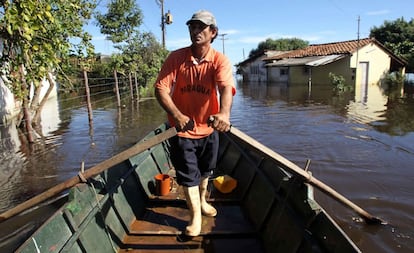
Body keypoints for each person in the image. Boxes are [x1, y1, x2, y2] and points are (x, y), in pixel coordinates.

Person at [154, 10, 235, 237]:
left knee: (206, 171)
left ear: (213, 33)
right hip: (183, 131)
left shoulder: (219, 60)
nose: (196, 31)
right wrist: (177, 115)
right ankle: (195, 216)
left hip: (209, 129)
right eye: (193, 27)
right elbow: (160, 88)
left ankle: (202, 201)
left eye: (201, 27)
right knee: (189, 174)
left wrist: (224, 114)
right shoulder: (176, 58)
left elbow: (225, 88)